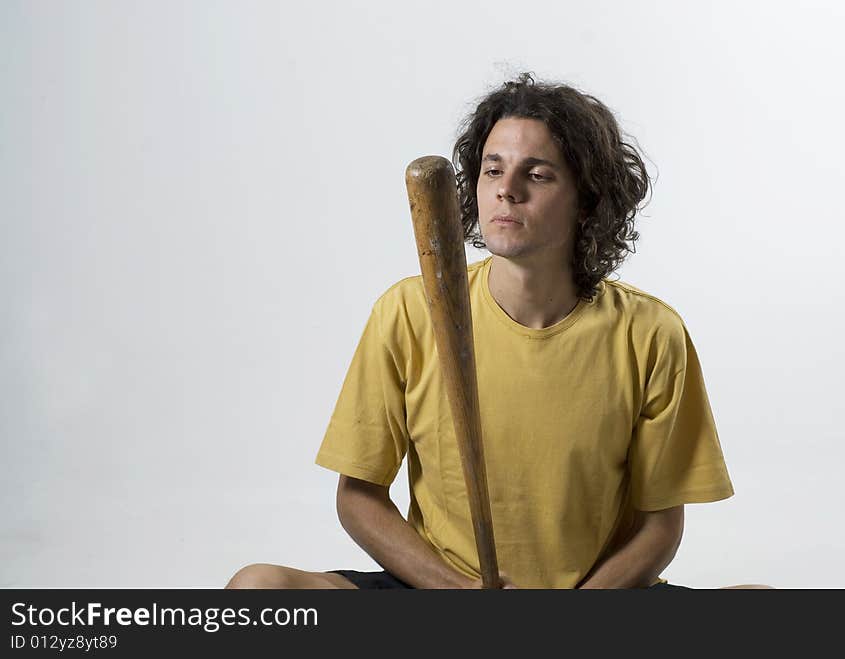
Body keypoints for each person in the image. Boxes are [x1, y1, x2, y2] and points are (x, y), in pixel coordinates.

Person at [227, 73, 769, 590]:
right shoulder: (409, 312)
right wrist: (455, 591)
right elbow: (358, 497)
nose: (506, 190)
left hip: (596, 598)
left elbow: (660, 526)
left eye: (537, 174)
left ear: (586, 201)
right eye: (492, 170)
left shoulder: (649, 333)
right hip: (440, 591)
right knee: (258, 588)